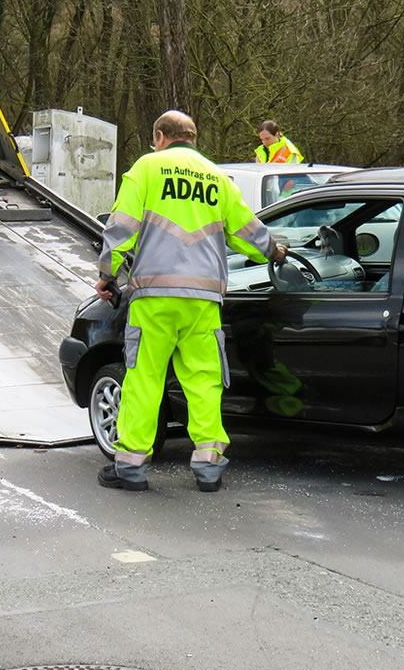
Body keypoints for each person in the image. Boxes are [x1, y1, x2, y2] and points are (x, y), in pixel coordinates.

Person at [95, 110, 286, 493]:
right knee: (204, 381)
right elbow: (248, 231)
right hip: (203, 299)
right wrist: (274, 251)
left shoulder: (146, 169)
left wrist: (106, 274)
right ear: (193, 138)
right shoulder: (219, 178)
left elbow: (122, 228)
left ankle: (131, 465)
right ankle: (208, 466)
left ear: (161, 137)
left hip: (155, 296)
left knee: (145, 378)